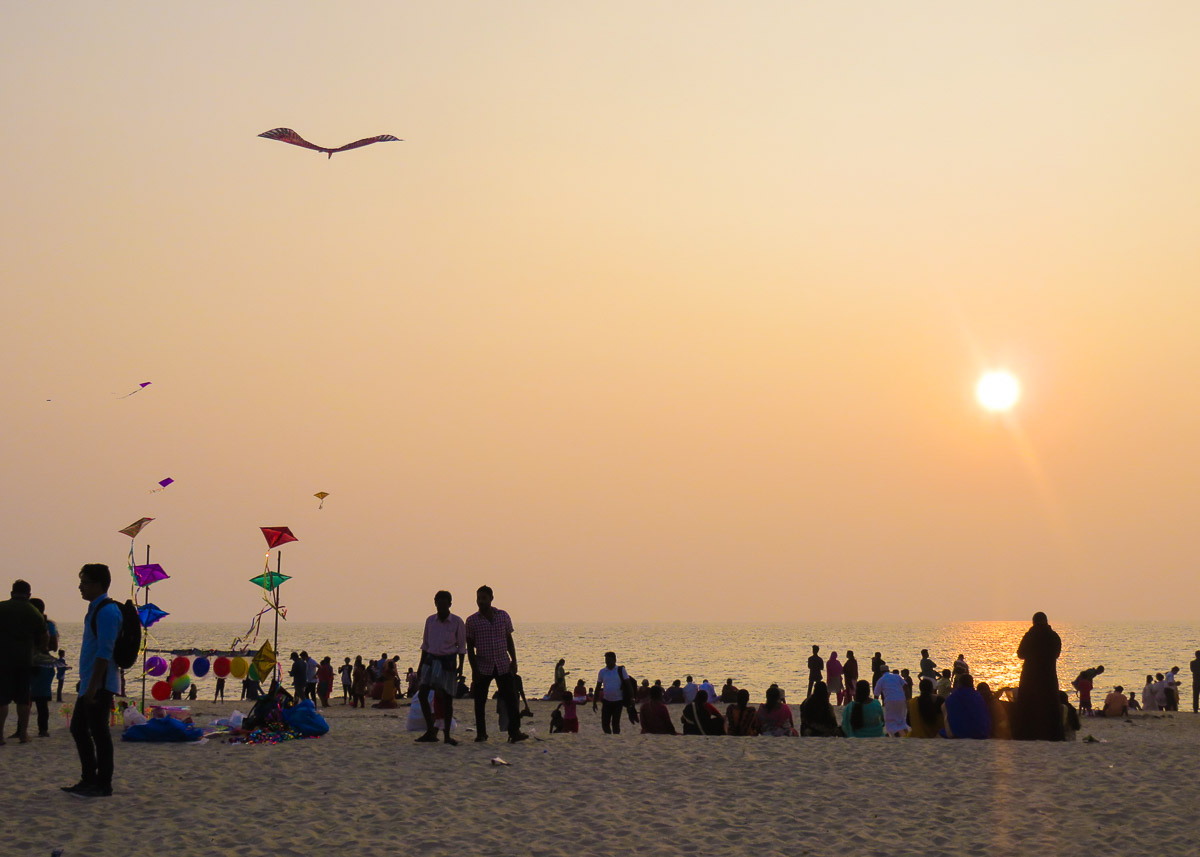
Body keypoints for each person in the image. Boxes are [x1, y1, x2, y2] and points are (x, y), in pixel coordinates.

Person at [63, 564, 120, 797]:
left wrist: (94, 686)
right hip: (91, 682)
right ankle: (89, 778)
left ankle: (102, 783)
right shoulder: (95, 610)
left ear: (97, 584)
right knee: (79, 728)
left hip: (100, 684)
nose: (80, 587)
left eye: (85, 582)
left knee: (99, 733)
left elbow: (105, 653)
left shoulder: (107, 611)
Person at [465, 585, 526, 743]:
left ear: (491, 598)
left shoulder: (503, 616)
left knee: (511, 699)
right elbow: (470, 647)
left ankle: (514, 731)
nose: (481, 602)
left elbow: (509, 639)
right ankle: (481, 733)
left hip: (502, 664)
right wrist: (474, 669)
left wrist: (514, 660)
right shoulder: (472, 621)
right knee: (480, 702)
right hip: (483, 666)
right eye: (478, 598)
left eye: (484, 598)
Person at [0, 579, 48, 745]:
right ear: (29, 595)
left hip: (3, 659)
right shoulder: (33, 612)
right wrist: (39, 651)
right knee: (23, 699)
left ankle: (0, 736)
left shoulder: (2, 608)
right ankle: (23, 734)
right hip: (25, 660)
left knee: (2, 700)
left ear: (12, 593)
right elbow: (44, 636)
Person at [415, 590, 467, 746]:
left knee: (447, 699)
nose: (442, 607)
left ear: (450, 604)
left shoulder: (457, 622)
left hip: (448, 662)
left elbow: (461, 647)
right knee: (423, 695)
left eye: (445, 604)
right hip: (430, 660)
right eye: (439, 603)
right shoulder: (430, 621)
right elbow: (425, 645)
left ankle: (447, 735)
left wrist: (461, 666)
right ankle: (431, 731)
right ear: (435, 603)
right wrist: (421, 666)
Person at [1012, 612, 1064, 741]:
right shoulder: (1054, 636)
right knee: (1050, 704)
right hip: (1049, 675)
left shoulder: (1030, 635)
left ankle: (1027, 733)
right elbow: (1057, 654)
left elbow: (1020, 653)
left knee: (1028, 704)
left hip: (1030, 676)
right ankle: (1052, 735)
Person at [27, 597, 56, 737]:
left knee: (25, 699)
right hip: (44, 664)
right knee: (42, 701)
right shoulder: (49, 625)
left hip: (29, 662)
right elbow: (54, 646)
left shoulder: (26, 624)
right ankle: (43, 729)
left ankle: (21, 730)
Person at [593, 651, 632, 735]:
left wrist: (631, 698)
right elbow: (598, 687)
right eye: (606, 660)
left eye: (609, 660)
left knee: (615, 722)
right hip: (606, 701)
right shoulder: (602, 672)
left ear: (614, 660)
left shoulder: (621, 670)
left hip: (618, 701)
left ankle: (615, 737)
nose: (607, 662)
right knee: (605, 723)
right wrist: (594, 702)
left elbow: (628, 685)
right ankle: (608, 736)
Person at [943, 674, 991, 739]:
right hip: (982, 732)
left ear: (959, 683)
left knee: (944, 707)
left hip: (959, 733)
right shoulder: (977, 696)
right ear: (972, 683)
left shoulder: (954, 696)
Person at [874, 669, 909, 737]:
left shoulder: (881, 679)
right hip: (901, 699)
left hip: (890, 701)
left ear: (881, 672)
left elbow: (876, 694)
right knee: (901, 720)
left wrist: (875, 704)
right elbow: (905, 686)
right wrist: (907, 698)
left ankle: (896, 734)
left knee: (891, 721)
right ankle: (905, 734)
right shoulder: (897, 676)